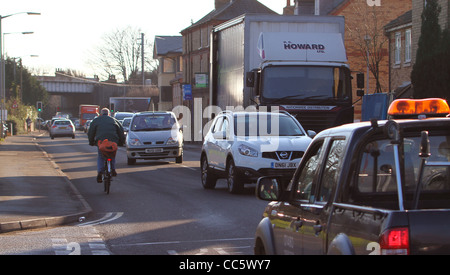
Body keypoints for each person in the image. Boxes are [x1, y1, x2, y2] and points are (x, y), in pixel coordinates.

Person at [88, 108, 125, 183]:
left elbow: (91, 132)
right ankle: (113, 169)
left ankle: (100, 172)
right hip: (113, 142)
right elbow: (121, 132)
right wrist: (121, 142)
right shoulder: (114, 120)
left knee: (101, 157)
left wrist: (91, 142)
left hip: (101, 142)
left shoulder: (96, 120)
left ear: (101, 114)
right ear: (109, 114)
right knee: (112, 155)